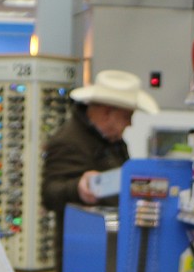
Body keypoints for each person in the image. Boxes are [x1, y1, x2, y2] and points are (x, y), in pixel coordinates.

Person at [40, 68, 158, 257]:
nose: (130, 124)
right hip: (83, 251)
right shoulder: (69, 141)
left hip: (104, 246)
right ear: (107, 113)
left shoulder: (112, 140)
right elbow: (50, 194)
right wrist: (78, 187)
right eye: (127, 117)